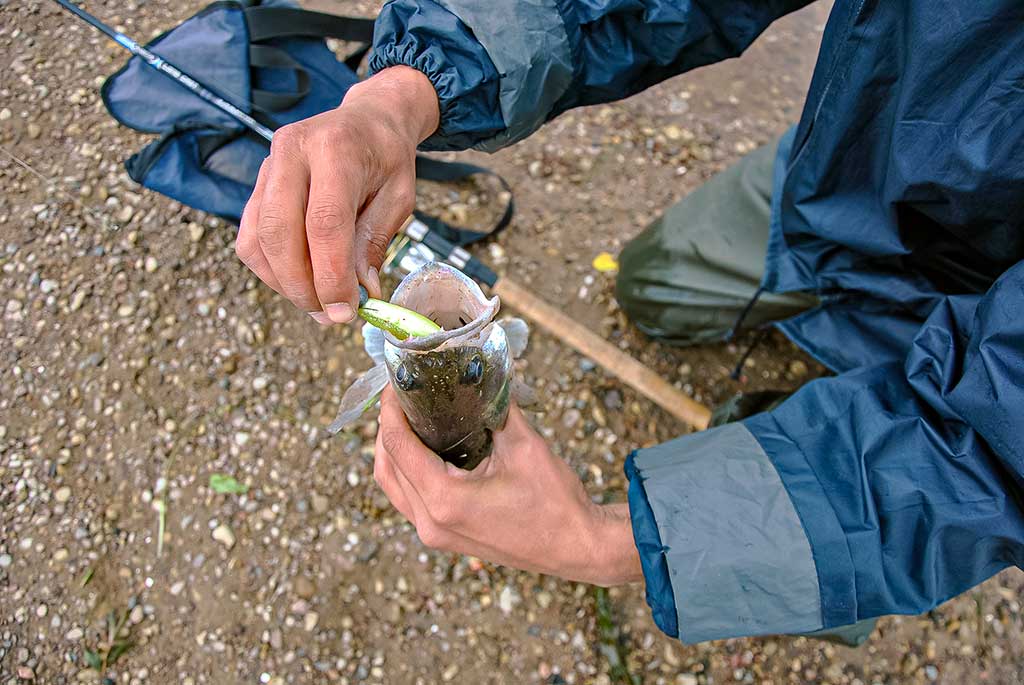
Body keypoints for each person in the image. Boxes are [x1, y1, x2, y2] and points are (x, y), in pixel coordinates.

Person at [235, 1, 1024, 645]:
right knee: (651, 287)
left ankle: (816, 576)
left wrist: (606, 542)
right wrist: (402, 93)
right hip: (853, 184)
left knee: (837, 534)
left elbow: (990, 457)